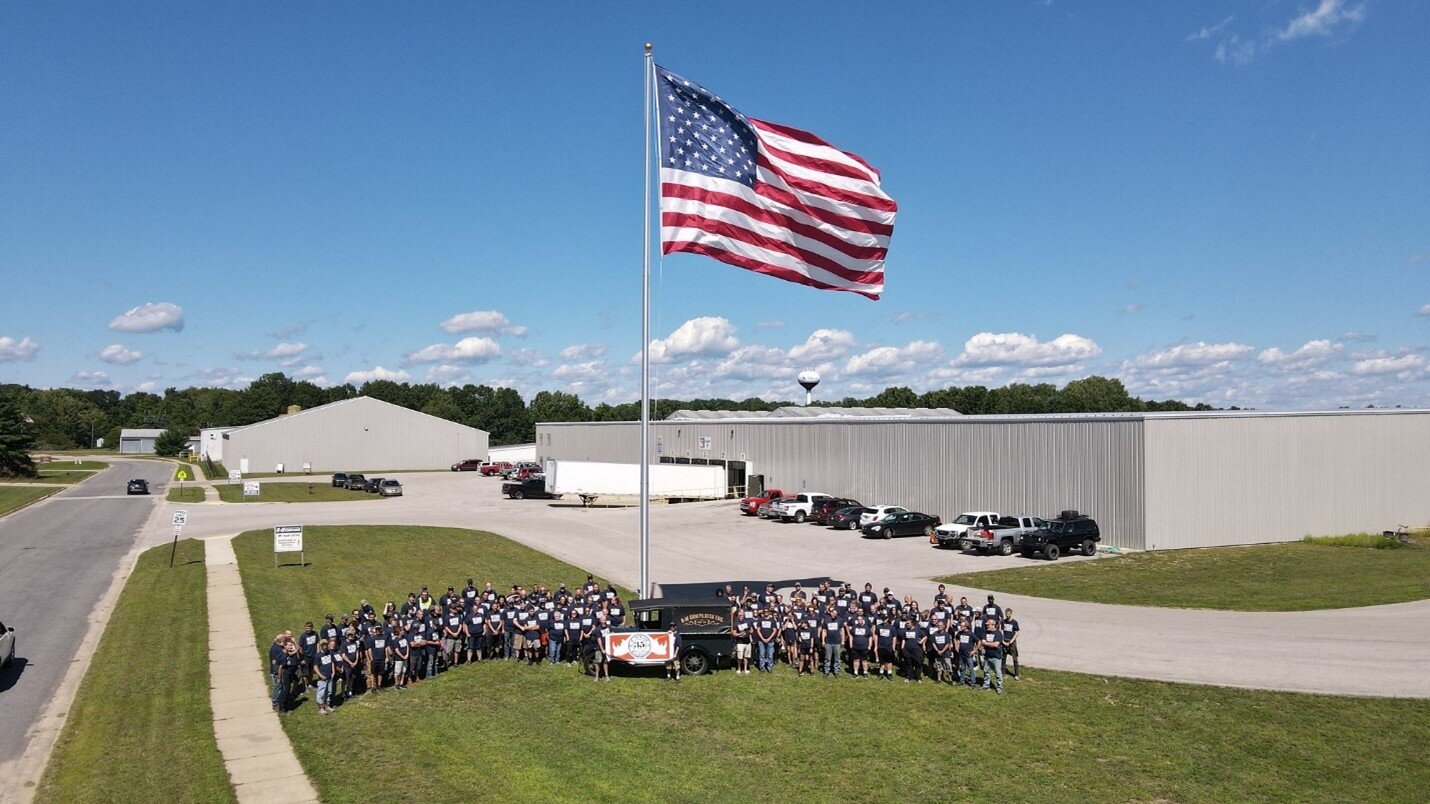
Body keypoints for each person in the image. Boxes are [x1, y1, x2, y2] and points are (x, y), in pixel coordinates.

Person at [979, 617, 1005, 694]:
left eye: (988, 625)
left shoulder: (998, 633)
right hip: (987, 656)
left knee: (998, 673)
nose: (987, 627)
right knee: (986, 672)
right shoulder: (985, 632)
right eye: (986, 625)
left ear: (993, 625)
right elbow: (982, 642)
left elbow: (996, 645)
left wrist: (987, 644)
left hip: (996, 657)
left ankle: (999, 687)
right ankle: (986, 686)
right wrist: (990, 644)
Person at [820, 605, 845, 678]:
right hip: (828, 642)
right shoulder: (826, 620)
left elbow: (842, 631)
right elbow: (824, 631)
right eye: (833, 613)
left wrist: (842, 640)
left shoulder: (840, 620)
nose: (835, 615)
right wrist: (823, 641)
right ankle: (826, 671)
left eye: (836, 614)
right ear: (830, 613)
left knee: (837, 658)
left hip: (837, 642)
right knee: (827, 658)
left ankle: (836, 671)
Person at [278, 639, 302, 711]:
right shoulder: (284, 655)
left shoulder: (287, 653)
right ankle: (282, 707)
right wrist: (280, 678)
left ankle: (286, 704)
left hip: (289, 674)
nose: (291, 647)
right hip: (285, 675)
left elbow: (293, 652)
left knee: (287, 690)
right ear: (285, 646)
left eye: (291, 645)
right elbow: (280, 668)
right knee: (285, 691)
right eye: (289, 645)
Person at [900, 616, 925, 683]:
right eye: (906, 623)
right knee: (909, 664)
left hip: (916, 650)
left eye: (908, 623)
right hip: (907, 650)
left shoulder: (918, 630)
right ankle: (909, 677)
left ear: (912, 623)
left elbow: (925, 636)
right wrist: (902, 647)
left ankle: (918, 678)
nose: (907, 624)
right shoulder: (905, 630)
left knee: (918, 664)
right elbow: (903, 639)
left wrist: (920, 642)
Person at [314, 638, 337, 713]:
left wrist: (333, 671)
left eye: (326, 645)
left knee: (329, 692)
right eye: (323, 645)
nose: (325, 646)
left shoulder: (330, 653)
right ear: (321, 646)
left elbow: (332, 662)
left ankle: (327, 706)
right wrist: (320, 675)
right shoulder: (318, 655)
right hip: (322, 677)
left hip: (330, 676)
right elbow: (315, 666)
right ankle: (320, 708)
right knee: (321, 692)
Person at [928, 620, 953, 684]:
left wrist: (942, 651)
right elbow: (933, 643)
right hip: (937, 654)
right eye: (938, 625)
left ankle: (950, 680)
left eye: (941, 625)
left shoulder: (947, 634)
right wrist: (938, 651)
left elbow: (948, 644)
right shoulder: (934, 634)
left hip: (946, 654)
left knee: (948, 667)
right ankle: (939, 679)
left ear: (944, 626)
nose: (939, 627)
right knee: (938, 667)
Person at [848, 614, 873, 679]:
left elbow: (870, 637)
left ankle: (865, 673)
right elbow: (851, 636)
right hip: (855, 647)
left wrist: (870, 645)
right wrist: (851, 644)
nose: (859, 621)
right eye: (858, 619)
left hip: (864, 647)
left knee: (864, 661)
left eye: (861, 619)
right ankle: (856, 673)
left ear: (863, 620)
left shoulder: (867, 627)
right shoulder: (854, 627)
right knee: (856, 660)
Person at [956, 618, 978, 688]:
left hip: (968, 655)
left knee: (971, 669)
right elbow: (956, 638)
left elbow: (979, 641)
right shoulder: (960, 633)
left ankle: (972, 683)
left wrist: (974, 651)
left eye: (962, 626)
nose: (960, 627)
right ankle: (961, 681)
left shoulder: (971, 634)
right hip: (961, 654)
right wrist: (957, 646)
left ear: (966, 627)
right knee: (962, 668)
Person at [268, 634, 287, 711]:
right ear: (280, 640)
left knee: (279, 687)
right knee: (277, 687)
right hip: (276, 672)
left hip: (277, 671)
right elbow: (274, 662)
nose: (285, 643)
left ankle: (278, 700)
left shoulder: (277, 646)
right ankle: (275, 702)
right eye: (284, 641)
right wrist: (278, 675)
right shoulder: (276, 649)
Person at [874, 617, 897, 681]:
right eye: (883, 618)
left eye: (885, 618)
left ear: (888, 619)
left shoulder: (891, 627)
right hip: (881, 646)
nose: (884, 620)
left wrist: (893, 647)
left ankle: (889, 673)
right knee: (882, 661)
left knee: (889, 661)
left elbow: (894, 637)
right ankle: (881, 673)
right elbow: (876, 636)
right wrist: (876, 646)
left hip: (889, 647)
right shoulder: (878, 626)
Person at [1000, 608, 1020, 680]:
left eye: (1008, 613)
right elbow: (1001, 631)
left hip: (1012, 643)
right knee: (1003, 658)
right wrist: (1002, 641)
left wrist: (1011, 641)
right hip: (1004, 642)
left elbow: (1017, 632)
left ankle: (1016, 674)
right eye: (1006, 613)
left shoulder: (1014, 622)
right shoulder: (1003, 622)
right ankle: (1003, 673)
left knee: (1015, 659)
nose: (1007, 615)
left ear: (1011, 614)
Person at [392, 626, 411, 690]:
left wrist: (407, 654)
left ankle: (401, 683)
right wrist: (403, 657)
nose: (403, 631)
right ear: (399, 632)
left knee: (403, 671)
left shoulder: (404, 638)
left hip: (405, 657)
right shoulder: (395, 640)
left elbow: (407, 646)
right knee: (398, 672)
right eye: (402, 630)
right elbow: (397, 650)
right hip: (399, 659)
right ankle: (397, 684)